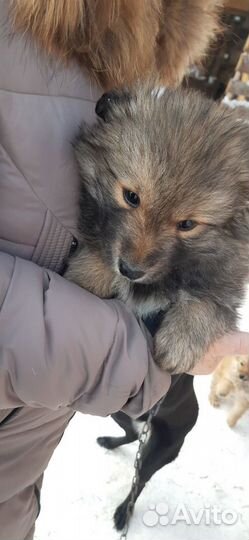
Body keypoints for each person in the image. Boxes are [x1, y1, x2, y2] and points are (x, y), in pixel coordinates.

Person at [0, 1, 248, 539]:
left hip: (18, 470)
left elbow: (222, 276)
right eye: (131, 197)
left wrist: (201, 314)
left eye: (185, 224)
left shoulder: (143, 65)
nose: (135, 255)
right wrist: (122, 349)